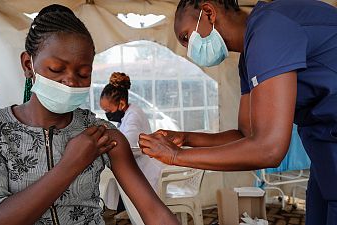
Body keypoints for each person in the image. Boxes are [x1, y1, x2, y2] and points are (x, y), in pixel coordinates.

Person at [0, 4, 178, 225]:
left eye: (83, 74)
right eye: (56, 69)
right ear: (29, 65)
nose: (71, 81)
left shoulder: (102, 135)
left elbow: (154, 212)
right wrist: (70, 165)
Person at [138, 0, 337, 224]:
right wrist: (186, 139)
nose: (188, 50)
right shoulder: (250, 56)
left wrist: (176, 157)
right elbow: (246, 136)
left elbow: (269, 149)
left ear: (208, 12)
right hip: (324, 151)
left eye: (186, 37)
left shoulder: (269, 31)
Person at [100, 72, 165, 210]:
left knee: (111, 195)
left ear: (121, 103)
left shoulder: (133, 116)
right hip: (140, 170)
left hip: (147, 174)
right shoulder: (127, 115)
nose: (106, 113)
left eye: (107, 110)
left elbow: (127, 142)